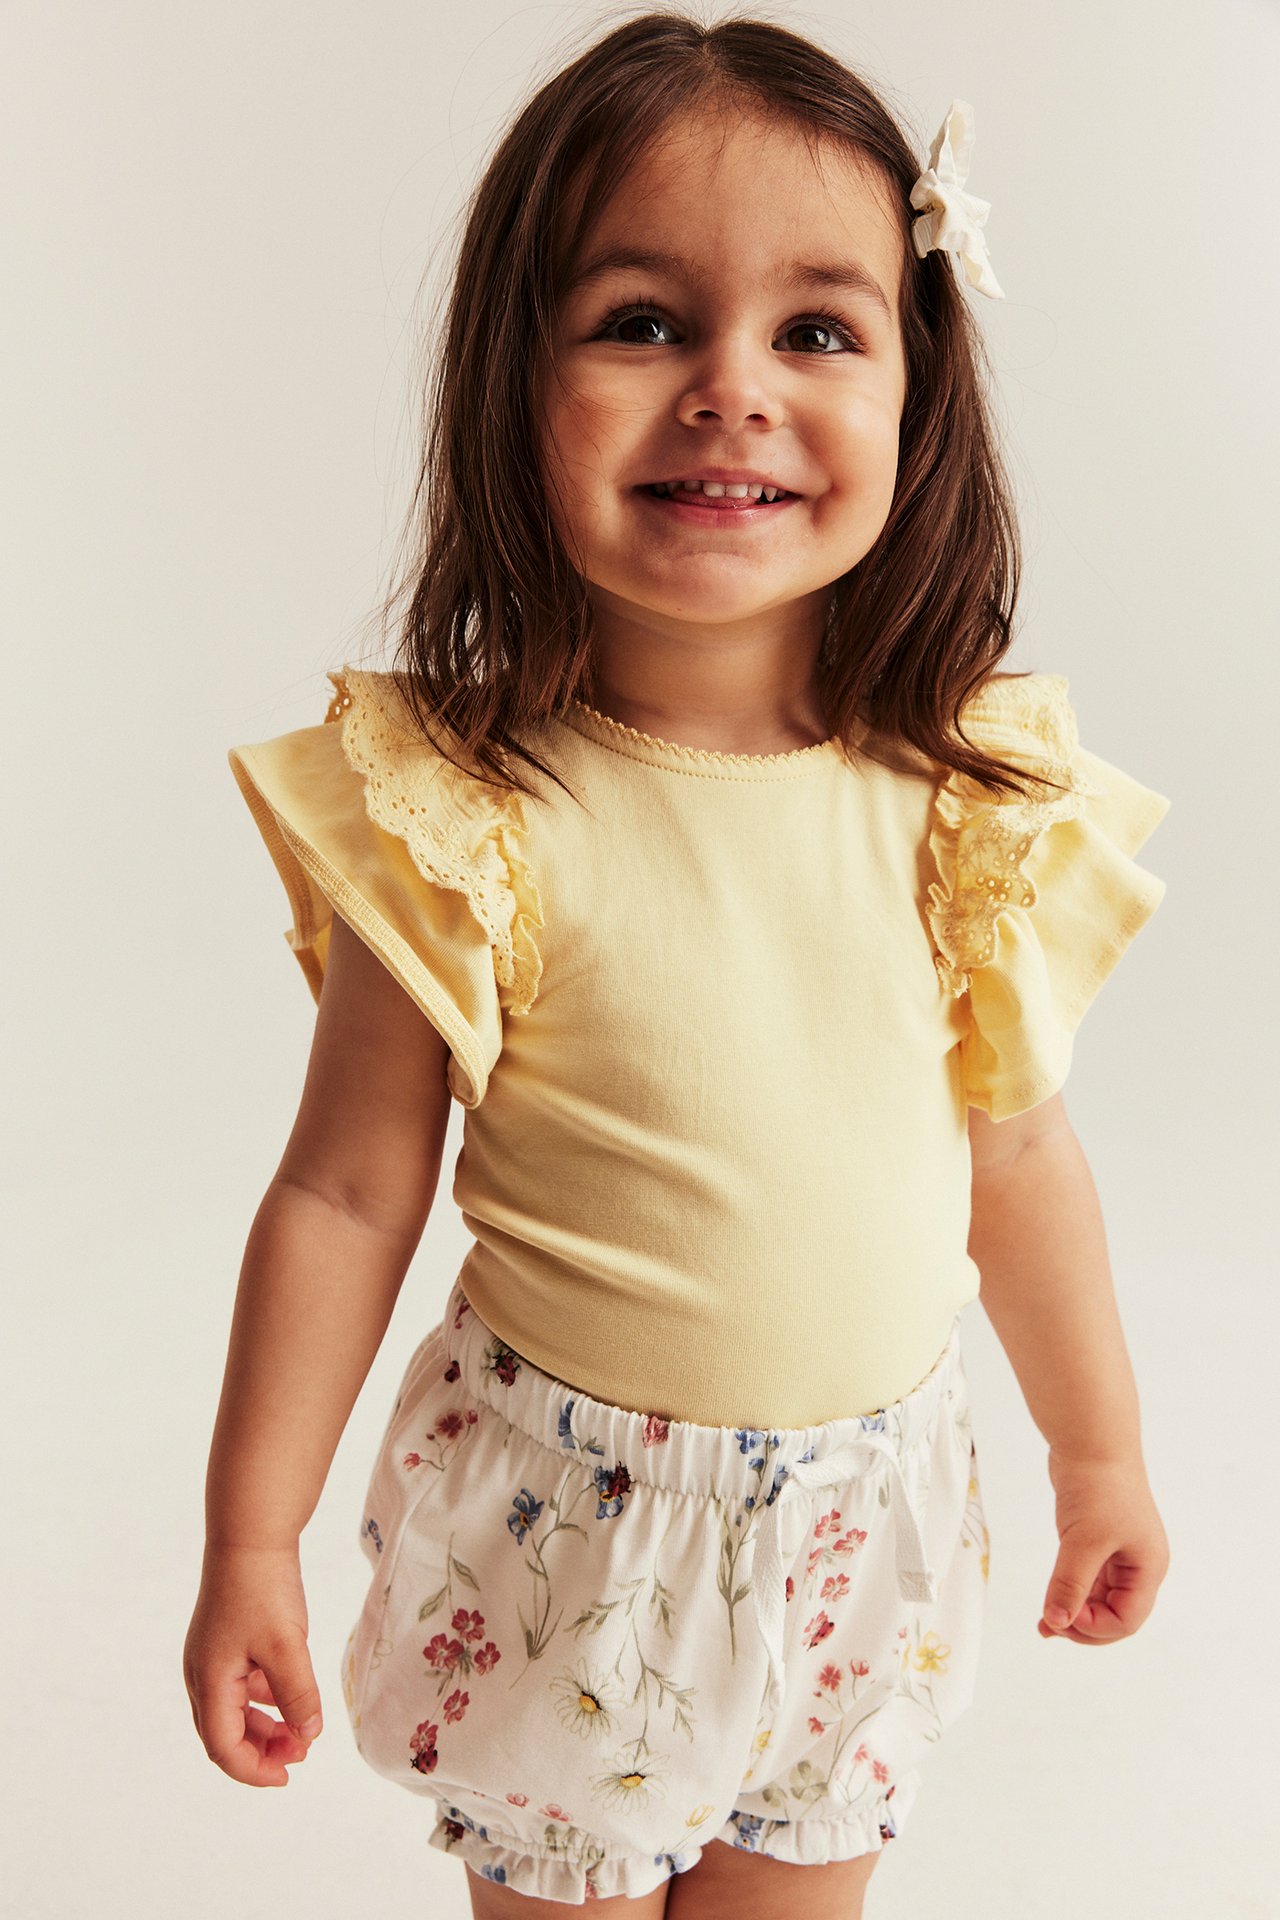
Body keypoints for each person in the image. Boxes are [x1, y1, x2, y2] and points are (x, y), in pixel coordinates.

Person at [185, 14, 1173, 1916]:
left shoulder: (961, 800)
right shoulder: (472, 812)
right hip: (573, 1550)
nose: (733, 389)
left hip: (862, 1547)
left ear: (918, 392)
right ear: (512, 378)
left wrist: (1101, 1451)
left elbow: (1021, 1156)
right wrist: (253, 1537)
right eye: (642, 321)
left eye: (818, 330)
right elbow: (342, 1187)